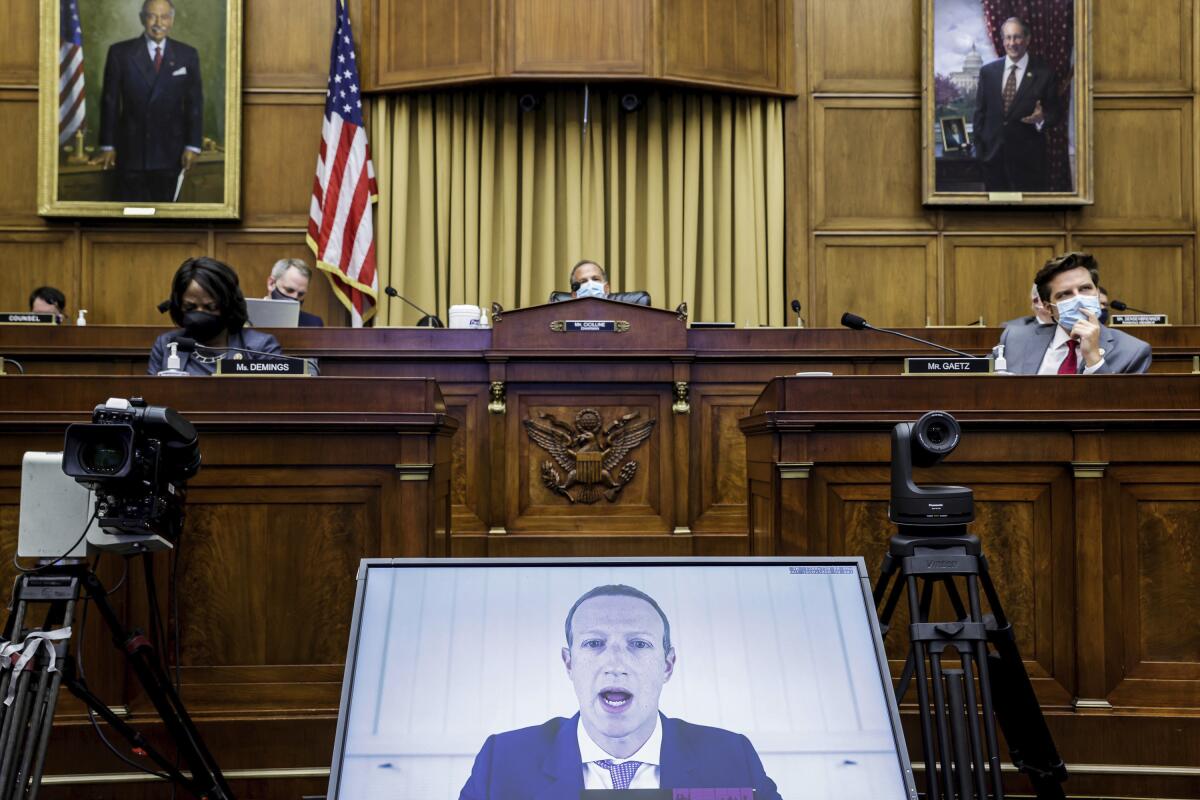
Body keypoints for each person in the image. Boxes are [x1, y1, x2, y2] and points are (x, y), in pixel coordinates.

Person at [459, 585, 781, 799]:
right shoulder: (501, 762)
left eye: (638, 644)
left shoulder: (731, 756)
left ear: (667, 665)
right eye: (594, 643)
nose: (615, 663)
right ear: (569, 664)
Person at [93, 0, 203, 202]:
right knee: (131, 217)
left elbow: (194, 104)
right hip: (131, 152)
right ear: (142, 19)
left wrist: (193, 145)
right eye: (152, 16)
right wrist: (108, 146)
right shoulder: (120, 53)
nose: (158, 23)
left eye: (164, 17)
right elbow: (110, 102)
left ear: (172, 20)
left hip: (171, 153)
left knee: (164, 220)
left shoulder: (187, 55)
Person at [994, 252, 1151, 374]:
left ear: (1097, 293)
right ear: (1049, 308)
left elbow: (1120, 410)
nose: (1079, 299)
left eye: (1085, 289)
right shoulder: (1014, 340)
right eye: (1065, 294)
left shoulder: (1133, 351)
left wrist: (1093, 358)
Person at [148, 257, 285, 376]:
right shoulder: (166, 344)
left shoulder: (260, 348)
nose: (200, 313)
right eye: (190, 308)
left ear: (229, 306)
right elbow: (153, 397)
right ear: (179, 306)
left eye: (210, 307)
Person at [972, 17, 1061, 192]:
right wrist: (981, 152)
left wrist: (1041, 119)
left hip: (1029, 163)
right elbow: (979, 114)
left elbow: (1056, 113)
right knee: (998, 216)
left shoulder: (1044, 73)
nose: (1012, 43)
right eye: (1008, 37)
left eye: (1017, 37)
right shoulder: (988, 72)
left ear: (1028, 39)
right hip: (993, 161)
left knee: (1027, 217)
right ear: (1003, 40)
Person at [549, 260, 652, 306]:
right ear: (574, 294)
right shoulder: (562, 318)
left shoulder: (626, 314)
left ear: (607, 288)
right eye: (583, 281)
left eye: (595, 279)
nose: (590, 284)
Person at [265, 258, 324, 327]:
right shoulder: (249, 316)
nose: (295, 297)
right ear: (271, 284)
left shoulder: (313, 324)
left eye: (301, 294)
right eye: (289, 290)